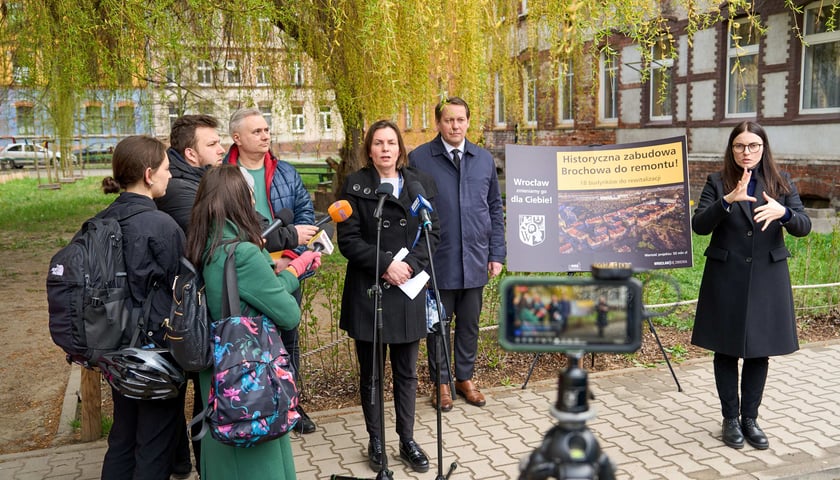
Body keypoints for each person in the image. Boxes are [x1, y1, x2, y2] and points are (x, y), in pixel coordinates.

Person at [184, 164, 322, 479]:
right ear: (241, 201)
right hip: (247, 378)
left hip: (217, 370)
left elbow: (257, 291)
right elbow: (288, 313)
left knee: (222, 459)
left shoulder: (203, 245)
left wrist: (294, 269)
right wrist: (291, 272)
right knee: (257, 463)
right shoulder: (243, 253)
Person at [691, 121, 811, 451]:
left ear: (763, 147)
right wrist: (727, 200)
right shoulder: (717, 182)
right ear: (732, 149)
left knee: (759, 350)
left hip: (766, 278)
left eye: (754, 146)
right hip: (725, 276)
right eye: (740, 146)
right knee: (726, 349)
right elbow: (699, 226)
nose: (747, 152)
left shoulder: (781, 181)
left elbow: (804, 226)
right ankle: (730, 419)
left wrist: (784, 212)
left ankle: (750, 419)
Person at [336, 120, 439, 473]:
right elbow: (348, 241)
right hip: (371, 293)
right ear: (369, 149)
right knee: (372, 375)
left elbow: (432, 234)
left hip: (407, 291)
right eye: (378, 143)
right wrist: (384, 266)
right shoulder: (355, 185)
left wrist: (407, 266)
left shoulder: (418, 184)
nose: (384, 149)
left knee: (407, 372)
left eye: (391, 143)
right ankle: (376, 440)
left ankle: (407, 439)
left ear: (400, 148)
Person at [225, 107, 320, 433]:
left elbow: (306, 216)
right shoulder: (223, 175)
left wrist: (291, 258)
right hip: (246, 269)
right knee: (249, 343)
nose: (265, 136)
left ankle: (292, 405)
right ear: (237, 137)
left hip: (286, 266)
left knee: (288, 341)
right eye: (257, 131)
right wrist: (264, 261)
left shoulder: (285, 172)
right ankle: (251, 408)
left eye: (267, 130)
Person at [409, 96, 506, 412]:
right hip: (437, 260)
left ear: (468, 122)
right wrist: (416, 259)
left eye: (460, 120)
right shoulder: (420, 159)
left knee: (469, 324)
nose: (455, 126)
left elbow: (494, 207)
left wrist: (497, 253)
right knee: (437, 325)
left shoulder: (483, 159)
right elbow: (410, 213)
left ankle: (465, 379)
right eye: (449, 120)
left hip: (476, 258)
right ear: (438, 123)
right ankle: (442, 384)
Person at [99, 135, 186, 480]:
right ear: (149, 174)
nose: (171, 176)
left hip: (114, 349)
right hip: (155, 353)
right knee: (154, 443)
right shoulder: (162, 226)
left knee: (122, 436)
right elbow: (181, 284)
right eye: (167, 169)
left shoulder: (100, 221)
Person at [154, 114, 226, 478]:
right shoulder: (181, 189)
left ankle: (184, 462)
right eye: (212, 143)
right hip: (183, 310)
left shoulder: (198, 180)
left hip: (188, 305)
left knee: (193, 391)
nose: (221, 148)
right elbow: (215, 237)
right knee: (191, 391)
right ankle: (198, 465)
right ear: (191, 153)